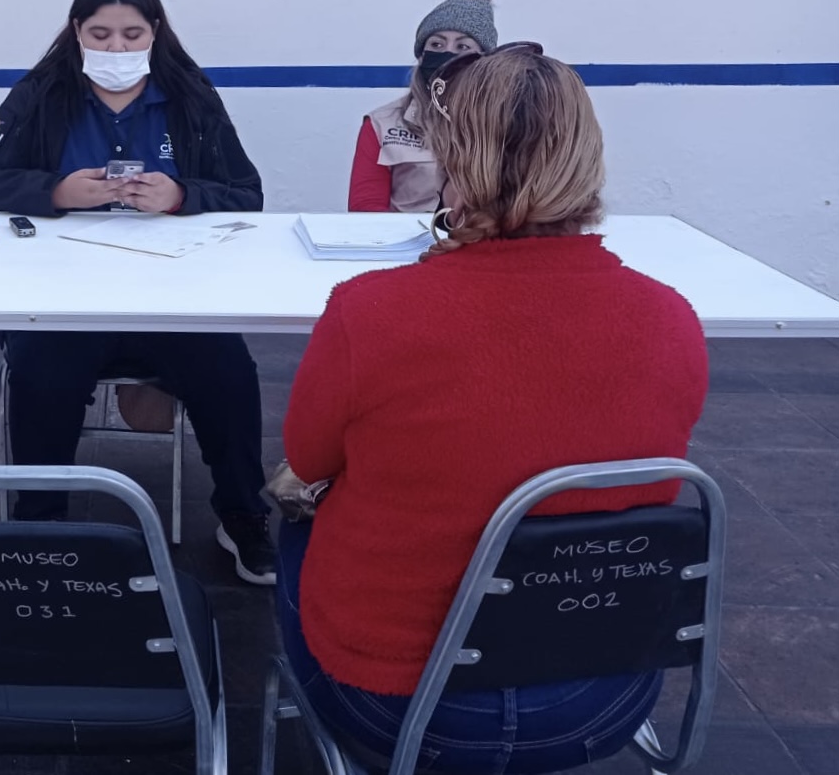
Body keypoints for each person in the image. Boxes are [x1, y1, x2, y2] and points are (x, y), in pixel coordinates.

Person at [279, 45, 709, 772]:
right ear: (587, 159)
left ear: (450, 158)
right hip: (600, 692)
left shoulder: (370, 313)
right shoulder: (671, 319)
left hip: (399, 700)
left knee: (293, 517)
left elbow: (308, 459)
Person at [0, 0, 276, 584]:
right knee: (40, 372)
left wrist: (181, 196)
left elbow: (246, 192)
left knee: (229, 372)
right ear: (77, 30)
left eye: (132, 35)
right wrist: (56, 191)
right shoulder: (39, 93)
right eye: (100, 35)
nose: (117, 49)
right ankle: (40, 523)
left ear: (155, 31)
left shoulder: (190, 95)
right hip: (63, 297)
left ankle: (242, 516)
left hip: (171, 299)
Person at [347, 0, 498, 212]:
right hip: (405, 236)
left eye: (462, 47)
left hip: (478, 234)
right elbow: (366, 210)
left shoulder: (505, 123)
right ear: (421, 56)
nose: (447, 54)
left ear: (483, 61)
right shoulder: (382, 124)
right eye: (436, 45)